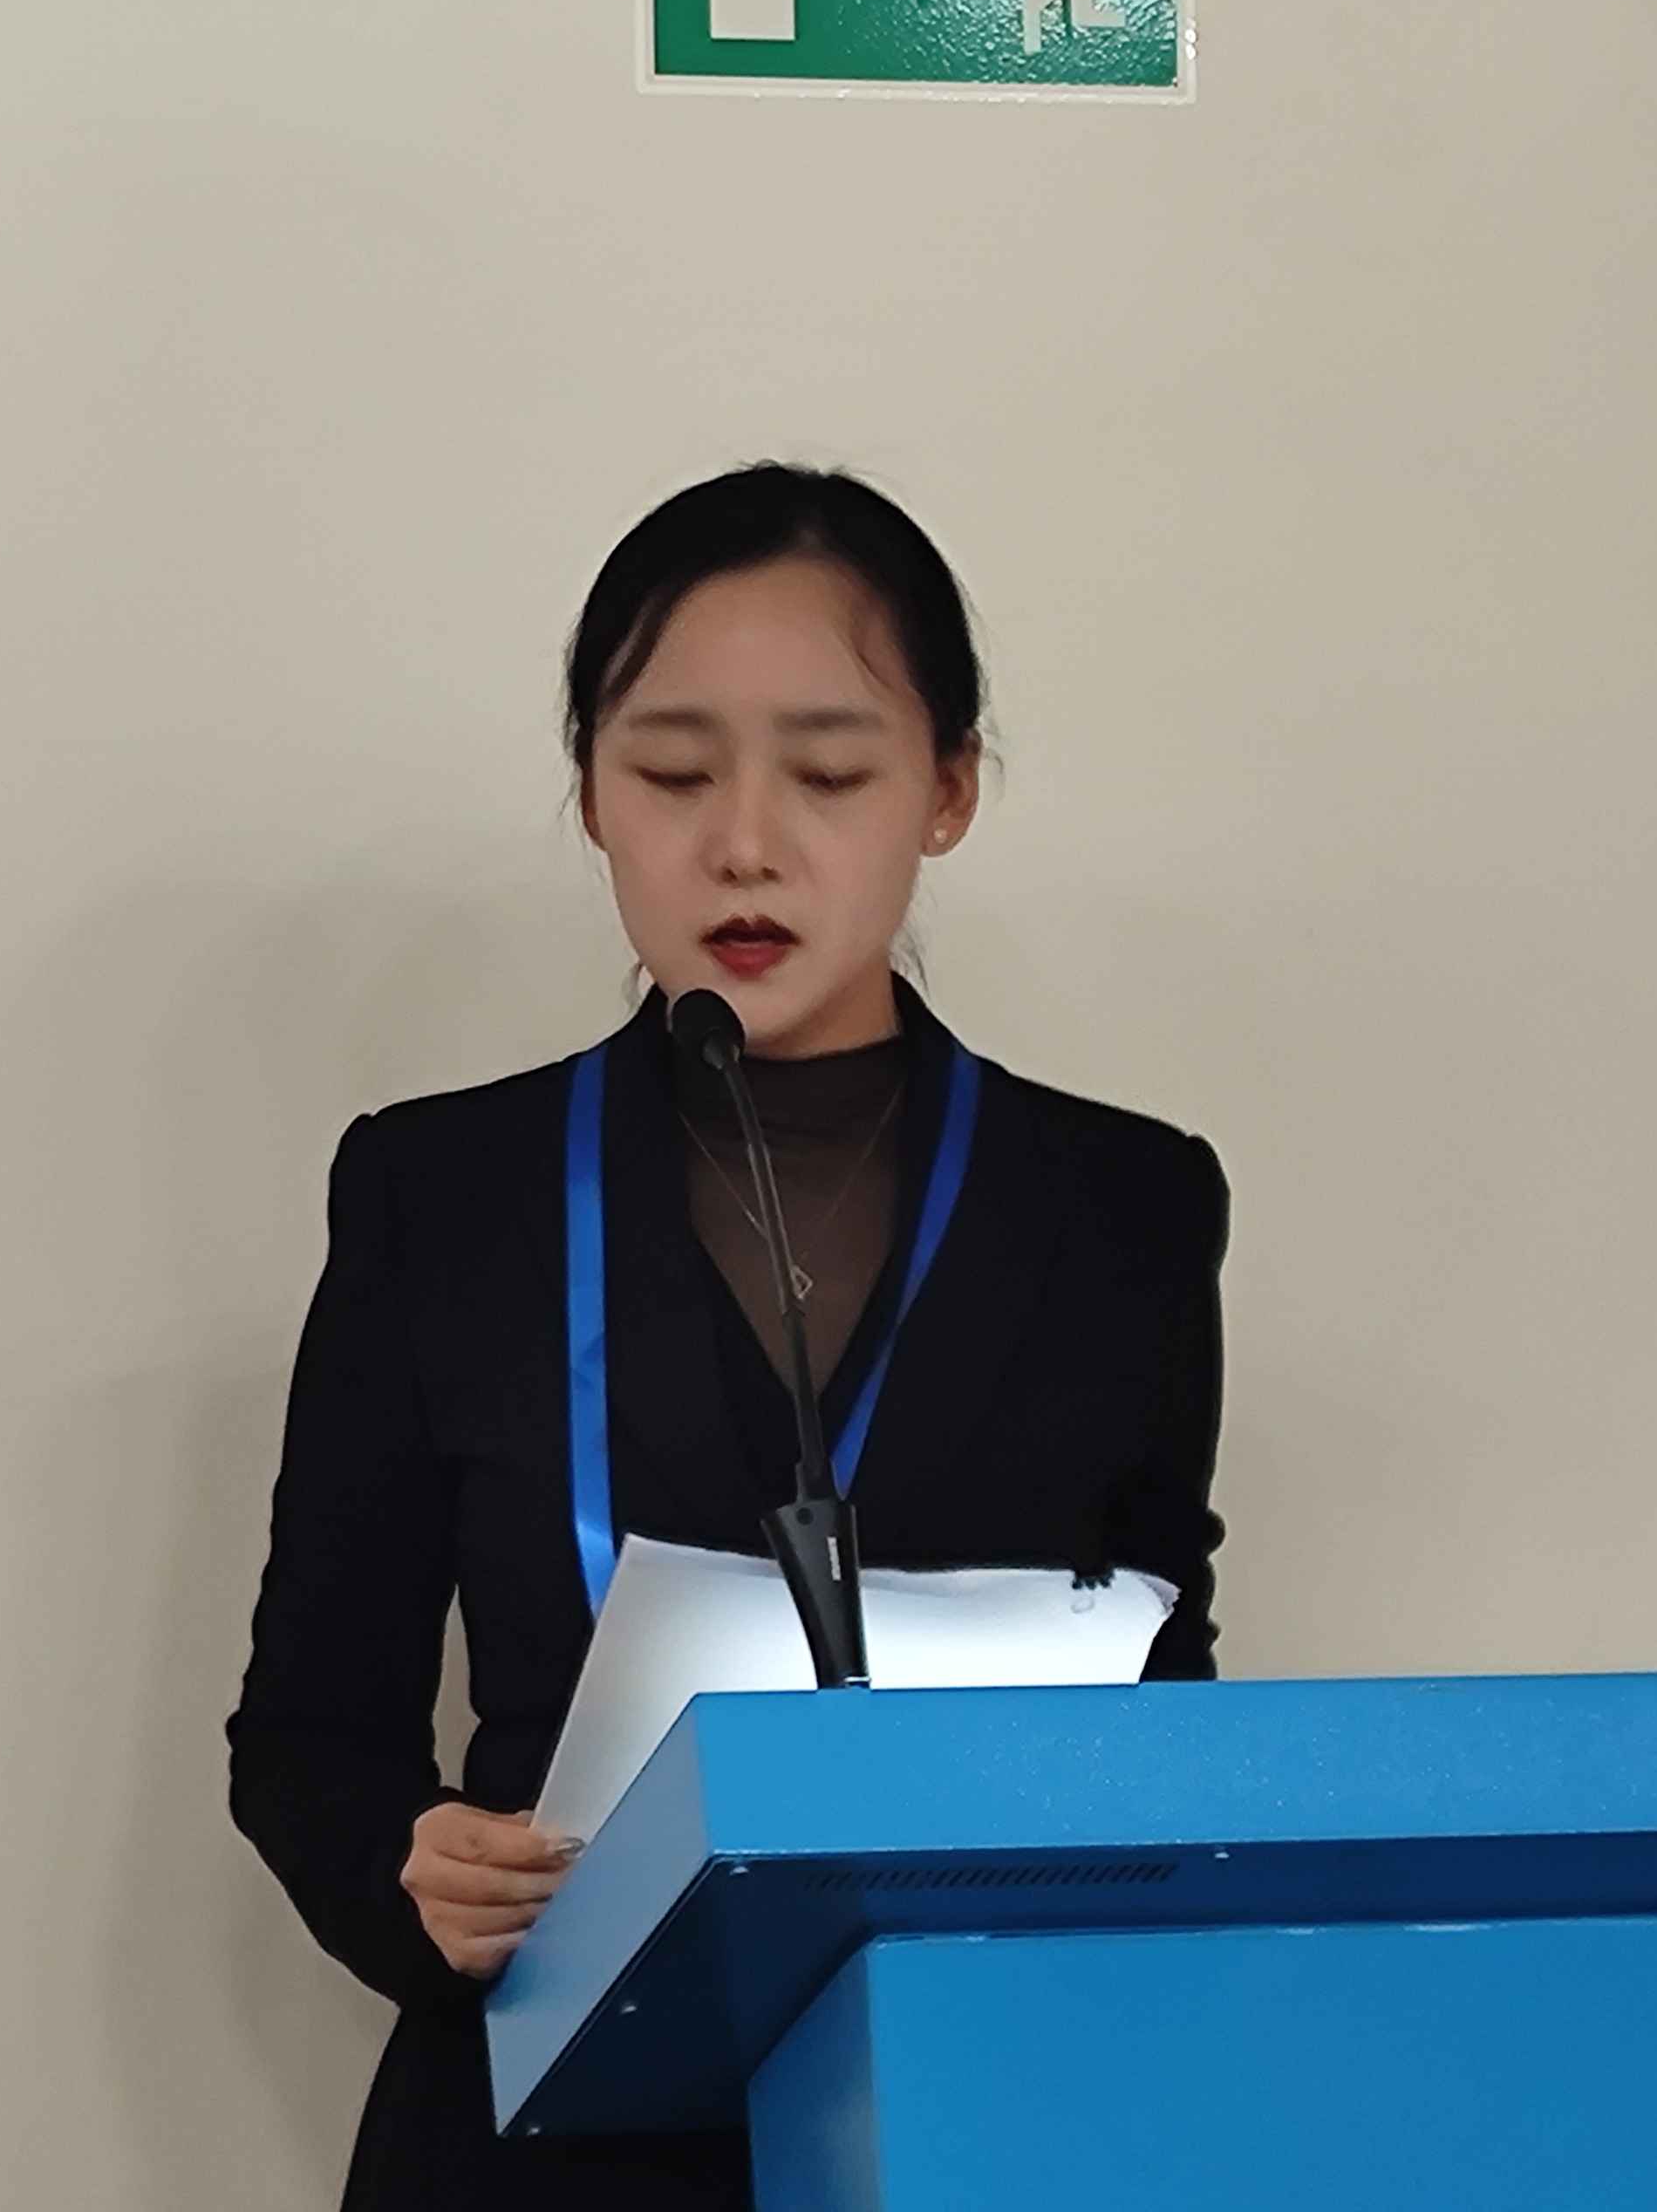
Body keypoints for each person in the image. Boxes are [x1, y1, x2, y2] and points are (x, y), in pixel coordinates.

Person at [228, 465, 1228, 2211]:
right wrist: (412, 1868)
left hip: (982, 2113)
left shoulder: (1120, 1206)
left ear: (948, 790)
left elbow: (1163, 1682)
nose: (745, 842)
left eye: (829, 773)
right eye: (674, 773)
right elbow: (308, 1731)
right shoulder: (440, 1192)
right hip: (541, 2135)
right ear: (591, 793)